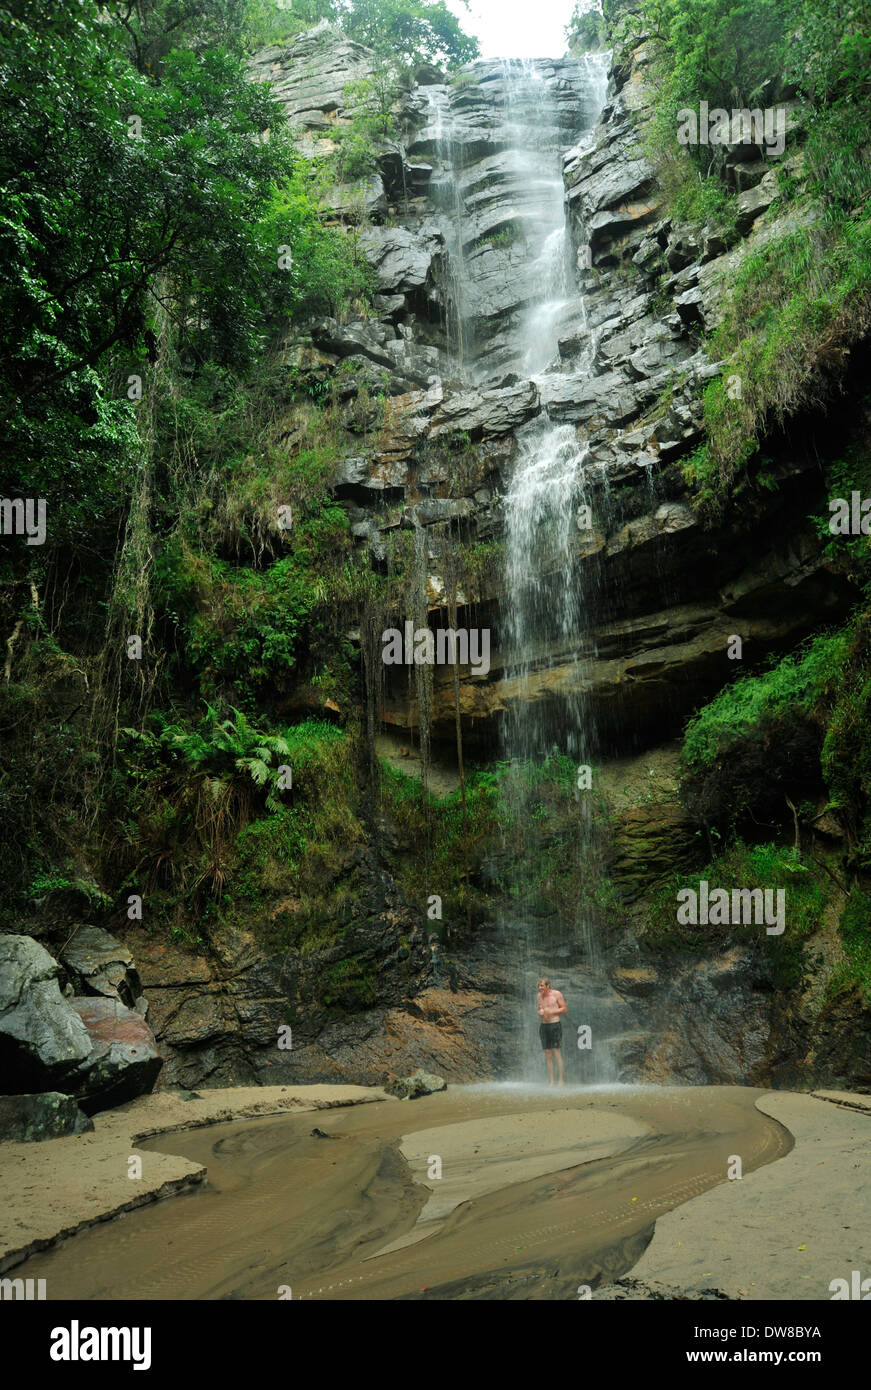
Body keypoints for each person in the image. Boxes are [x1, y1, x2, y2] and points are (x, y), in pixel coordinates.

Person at [537, 977, 567, 1085]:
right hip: (544, 1026)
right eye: (539, 986)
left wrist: (552, 1012)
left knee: (556, 1052)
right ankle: (551, 1081)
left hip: (555, 1025)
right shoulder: (539, 996)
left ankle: (561, 1080)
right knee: (547, 1053)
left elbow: (564, 1009)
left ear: (548, 986)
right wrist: (540, 1012)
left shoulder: (556, 994)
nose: (540, 988)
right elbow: (540, 1008)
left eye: (542, 986)